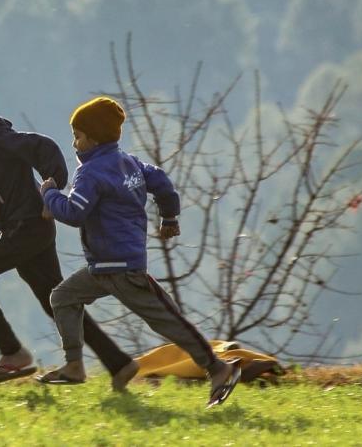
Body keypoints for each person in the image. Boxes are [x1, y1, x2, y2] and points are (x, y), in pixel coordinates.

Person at [0, 71, 140, 389]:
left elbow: (43, 148)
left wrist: (53, 190)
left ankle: (13, 355)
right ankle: (118, 363)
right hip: (30, 227)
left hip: (28, 227)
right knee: (56, 301)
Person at [37, 96, 241, 407]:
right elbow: (161, 182)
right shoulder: (130, 164)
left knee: (168, 320)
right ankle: (75, 366)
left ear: (93, 139)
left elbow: (75, 211)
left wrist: (49, 195)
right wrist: (169, 216)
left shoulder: (91, 173)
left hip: (120, 267)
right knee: (63, 297)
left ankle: (219, 368)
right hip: (104, 267)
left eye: (77, 136)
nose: (74, 143)